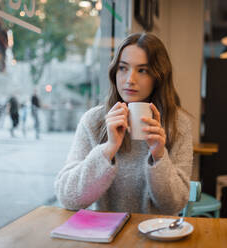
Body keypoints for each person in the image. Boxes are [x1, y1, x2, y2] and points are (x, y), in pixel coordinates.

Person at [54, 33, 193, 215]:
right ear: (114, 72)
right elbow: (67, 197)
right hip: (103, 237)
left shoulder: (178, 124)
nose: (129, 80)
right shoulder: (94, 121)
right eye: (123, 68)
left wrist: (159, 156)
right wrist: (108, 149)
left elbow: (174, 205)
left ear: (158, 76)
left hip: (156, 237)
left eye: (142, 70)